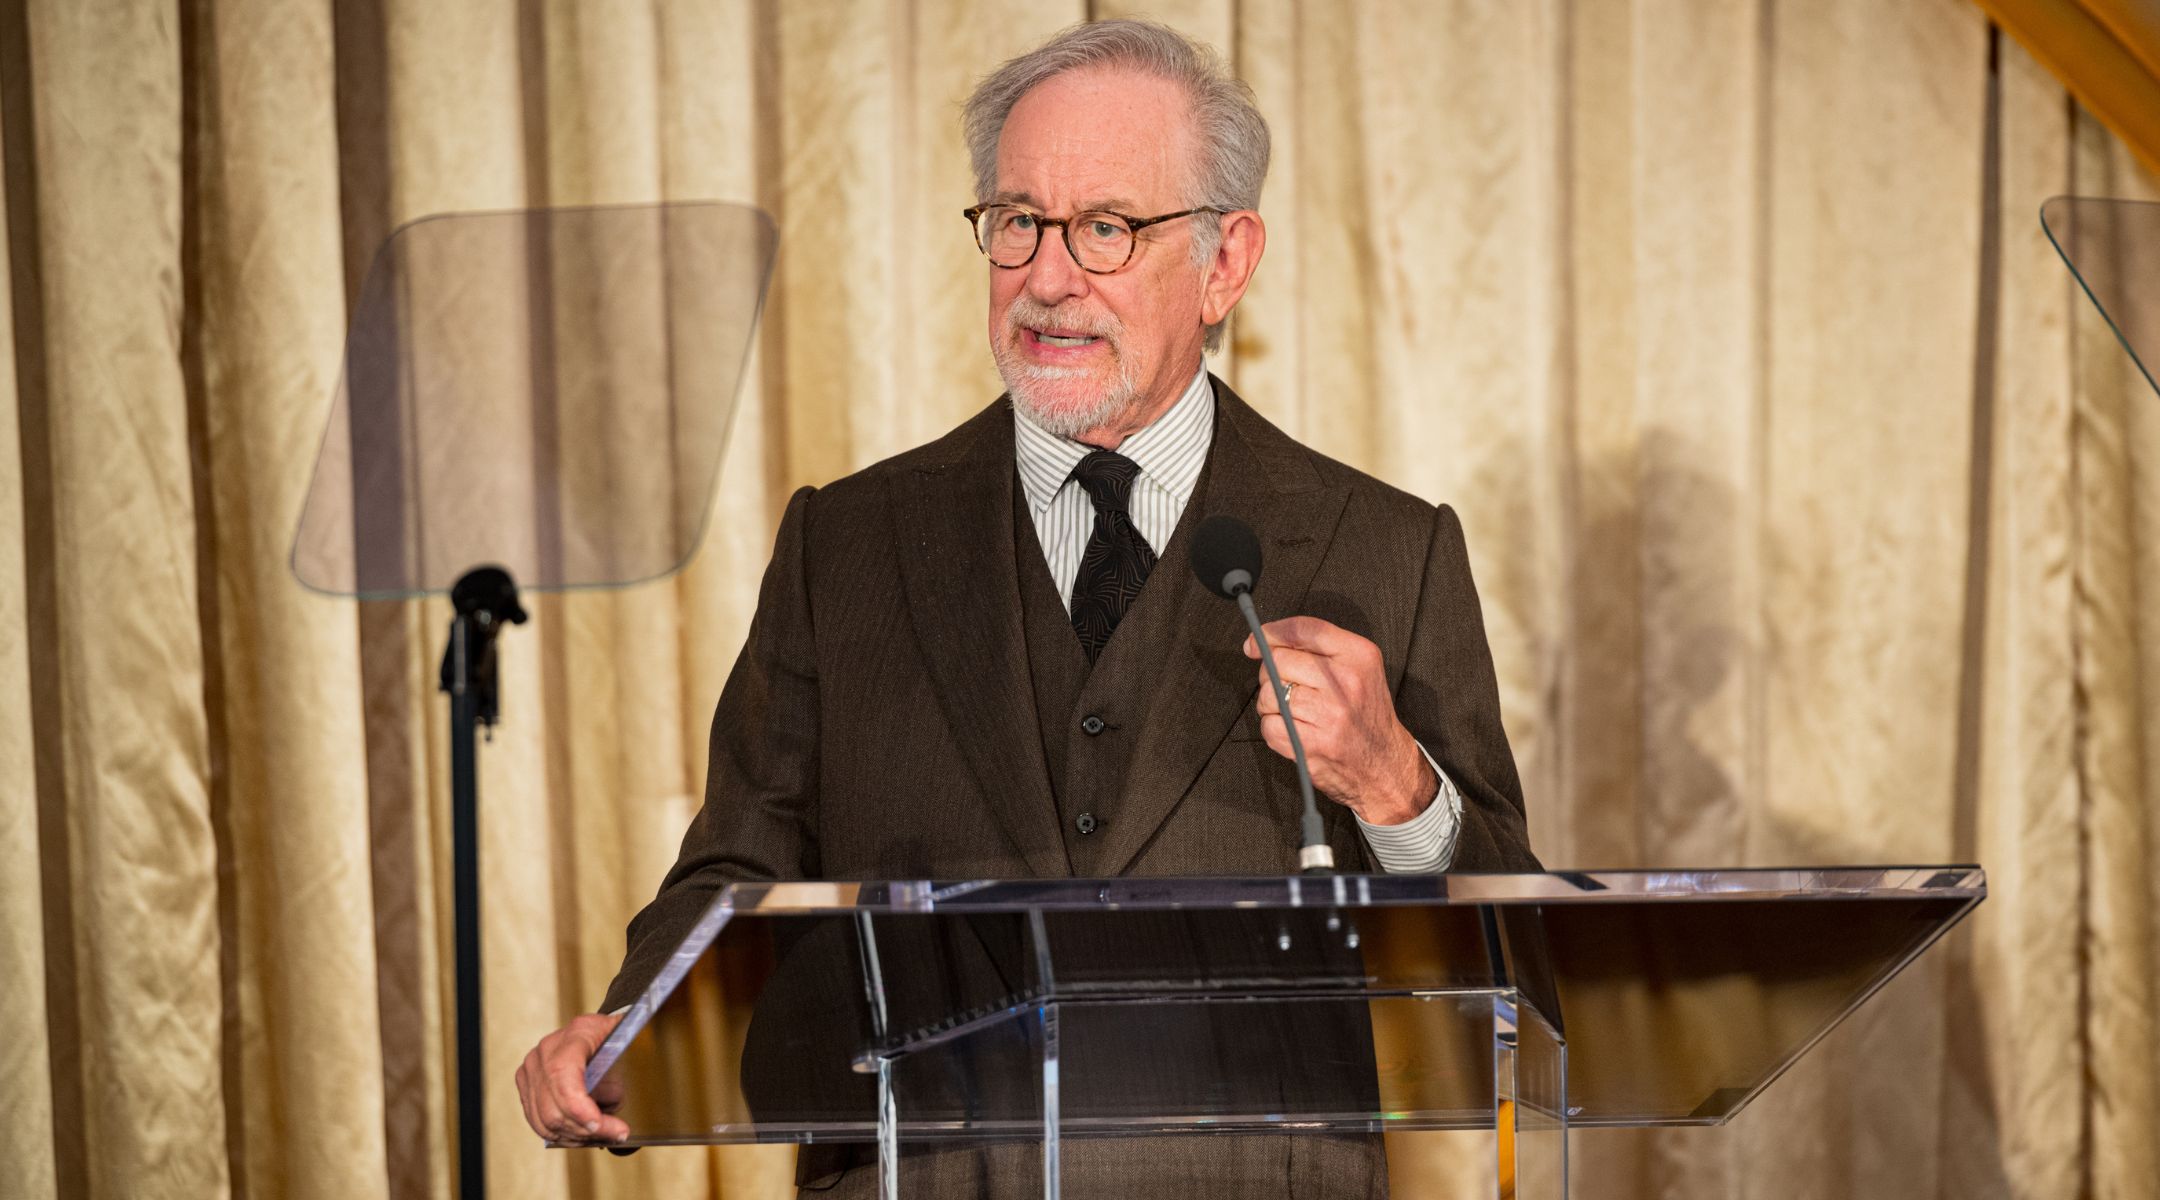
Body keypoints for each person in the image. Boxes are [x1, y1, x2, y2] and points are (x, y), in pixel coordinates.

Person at [517, 17, 1538, 1195]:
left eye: (1107, 228)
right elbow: (737, 870)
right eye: (1017, 223)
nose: (1048, 279)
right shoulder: (843, 543)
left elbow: (1523, 974)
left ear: (1226, 261)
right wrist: (632, 1029)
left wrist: (1396, 788)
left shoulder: (1387, 549)